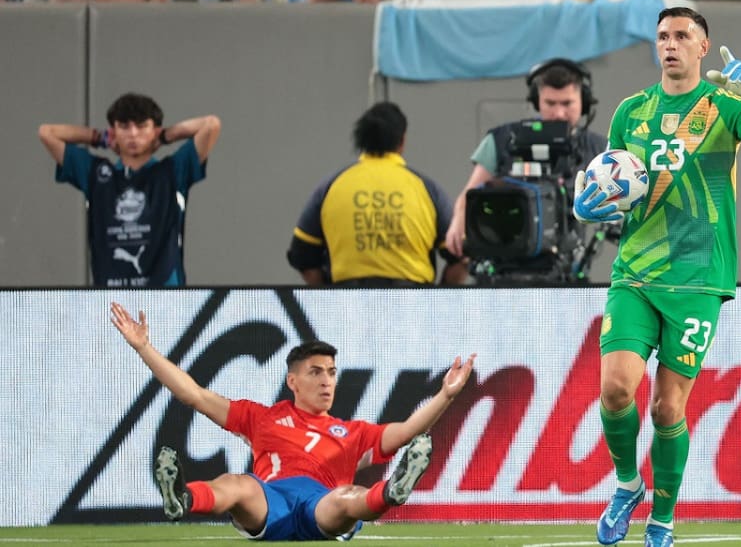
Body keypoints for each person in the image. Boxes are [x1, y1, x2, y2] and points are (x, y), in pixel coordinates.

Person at [575, 7, 741, 547]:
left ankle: (664, 516)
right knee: (614, 390)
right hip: (636, 271)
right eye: (662, 36)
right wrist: (597, 205)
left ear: (704, 48)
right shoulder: (631, 111)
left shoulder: (725, 105)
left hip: (700, 276)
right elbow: (619, 183)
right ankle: (628, 485)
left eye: (682, 36)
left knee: (667, 407)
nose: (670, 44)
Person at [108, 301, 476, 541]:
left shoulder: (352, 432)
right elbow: (194, 394)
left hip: (320, 504)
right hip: (271, 501)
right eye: (315, 372)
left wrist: (446, 395)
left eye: (331, 372)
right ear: (292, 382)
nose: (326, 381)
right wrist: (144, 348)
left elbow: (407, 432)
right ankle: (183, 499)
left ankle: (392, 492)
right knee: (236, 484)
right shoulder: (262, 418)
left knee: (348, 499)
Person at [37, 93, 221, 287]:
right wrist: (100, 138)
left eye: (142, 126)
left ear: (154, 130)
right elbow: (47, 133)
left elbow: (211, 125)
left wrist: (166, 136)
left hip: (167, 296)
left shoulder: (172, 171)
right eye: (124, 126)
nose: (133, 134)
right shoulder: (96, 173)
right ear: (113, 131)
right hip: (109, 295)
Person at [444, 58, 608, 261]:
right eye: (550, 103)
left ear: (583, 103)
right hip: (505, 259)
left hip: (566, 268)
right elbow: (470, 191)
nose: (558, 113)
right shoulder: (502, 140)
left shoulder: (599, 149)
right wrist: (459, 219)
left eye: (567, 103)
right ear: (535, 101)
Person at [287, 102, 466, 286]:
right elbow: (462, 256)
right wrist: (440, 299)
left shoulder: (330, 188)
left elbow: (302, 256)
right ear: (402, 141)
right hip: (411, 305)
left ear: (362, 140)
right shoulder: (427, 190)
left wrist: (326, 301)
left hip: (347, 305)